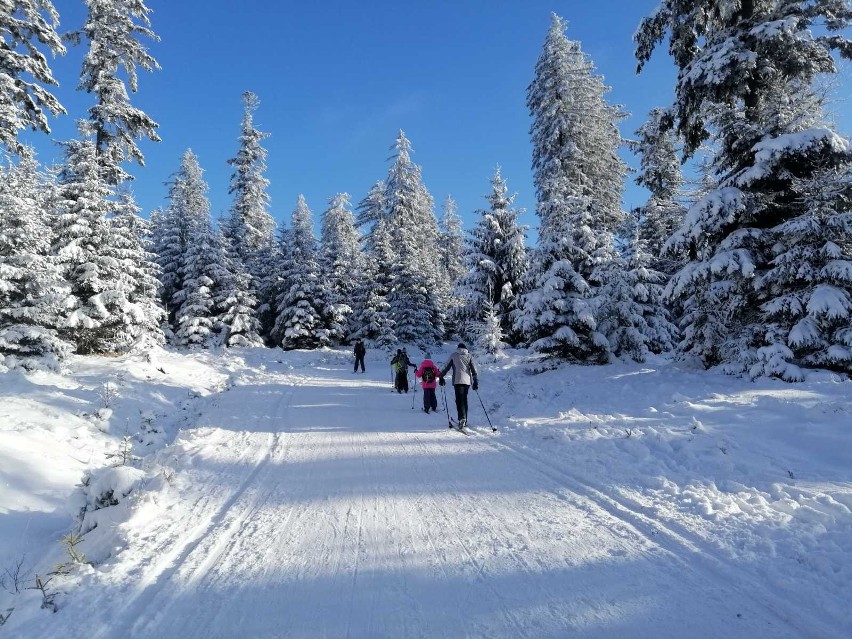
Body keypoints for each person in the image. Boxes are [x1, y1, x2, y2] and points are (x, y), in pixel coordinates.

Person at [439, 343, 478, 428]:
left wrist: (441, 376)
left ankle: (461, 418)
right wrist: (475, 381)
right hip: (467, 381)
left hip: (457, 381)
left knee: (459, 400)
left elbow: (446, 367)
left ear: (458, 348)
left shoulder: (454, 355)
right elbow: (474, 369)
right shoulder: (469, 356)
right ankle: (464, 419)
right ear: (465, 348)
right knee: (464, 399)